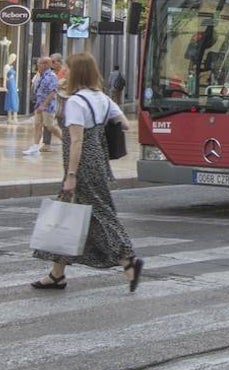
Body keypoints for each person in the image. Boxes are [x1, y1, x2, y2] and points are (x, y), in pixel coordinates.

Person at [30, 52, 144, 292]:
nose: (64, 73)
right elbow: (123, 123)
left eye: (68, 69)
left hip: (81, 166)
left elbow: (76, 141)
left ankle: (128, 261)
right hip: (99, 162)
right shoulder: (100, 97)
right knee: (67, 214)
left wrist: (71, 174)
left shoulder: (76, 102)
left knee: (102, 215)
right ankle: (56, 274)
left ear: (77, 72)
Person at [23, 57, 62, 156]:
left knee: (50, 126)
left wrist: (44, 105)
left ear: (45, 65)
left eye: (39, 64)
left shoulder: (51, 76)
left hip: (47, 107)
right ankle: (35, 146)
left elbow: (53, 92)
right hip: (38, 104)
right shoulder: (40, 76)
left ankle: (66, 140)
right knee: (37, 125)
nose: (37, 66)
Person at [4, 53, 19, 120]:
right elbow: (5, 77)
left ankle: (15, 117)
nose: (13, 60)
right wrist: (5, 86)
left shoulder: (11, 67)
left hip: (13, 84)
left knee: (15, 99)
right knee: (10, 99)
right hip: (9, 84)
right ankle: (9, 117)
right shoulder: (6, 67)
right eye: (13, 59)